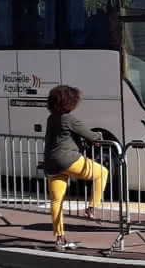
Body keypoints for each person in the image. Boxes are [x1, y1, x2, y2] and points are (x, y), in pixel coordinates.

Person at [43, 84, 108, 252]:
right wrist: (99, 136)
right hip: (68, 160)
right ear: (70, 102)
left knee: (57, 201)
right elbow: (90, 135)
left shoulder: (51, 118)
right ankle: (91, 208)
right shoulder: (69, 119)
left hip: (51, 162)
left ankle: (59, 237)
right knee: (102, 172)